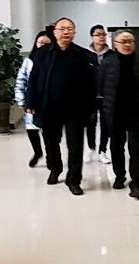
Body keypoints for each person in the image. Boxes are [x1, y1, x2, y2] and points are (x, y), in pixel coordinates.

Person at [25, 17, 96, 196]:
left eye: (69, 29)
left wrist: (91, 107)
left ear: (74, 33)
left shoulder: (83, 55)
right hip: (49, 106)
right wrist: (30, 101)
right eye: (62, 29)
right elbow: (33, 78)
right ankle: (55, 168)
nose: (66, 32)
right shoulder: (43, 54)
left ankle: (74, 180)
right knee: (50, 141)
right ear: (54, 32)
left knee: (75, 145)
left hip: (75, 108)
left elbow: (90, 84)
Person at [100, 30, 139, 200]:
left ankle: (136, 182)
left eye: (130, 41)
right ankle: (119, 176)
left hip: (136, 112)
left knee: (136, 148)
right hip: (114, 112)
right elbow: (100, 85)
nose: (128, 44)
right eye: (123, 41)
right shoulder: (108, 62)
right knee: (116, 146)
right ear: (115, 44)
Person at [14, 31, 51, 168]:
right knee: (31, 129)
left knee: (48, 132)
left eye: (46, 43)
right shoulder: (28, 60)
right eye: (40, 43)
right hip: (32, 101)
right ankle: (37, 152)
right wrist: (21, 100)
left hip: (48, 102)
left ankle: (50, 156)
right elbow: (21, 80)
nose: (42, 46)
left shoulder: (53, 60)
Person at [89, 24, 112, 164]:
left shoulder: (112, 55)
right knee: (90, 123)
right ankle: (91, 147)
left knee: (106, 124)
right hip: (90, 96)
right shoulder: (86, 55)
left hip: (107, 96)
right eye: (98, 34)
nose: (101, 37)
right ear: (92, 37)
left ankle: (102, 151)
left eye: (103, 34)